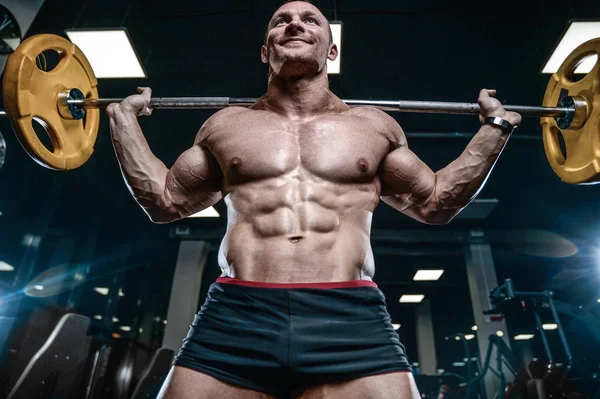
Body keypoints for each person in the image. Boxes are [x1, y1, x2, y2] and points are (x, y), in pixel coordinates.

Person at [106, 1, 521, 397]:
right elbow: (165, 202)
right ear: (266, 51)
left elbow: (434, 203)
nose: (295, 24)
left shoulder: (373, 127)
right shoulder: (225, 126)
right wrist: (123, 122)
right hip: (239, 314)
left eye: (311, 20)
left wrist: (495, 128)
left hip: (348, 317)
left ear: (332, 49)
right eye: (281, 19)